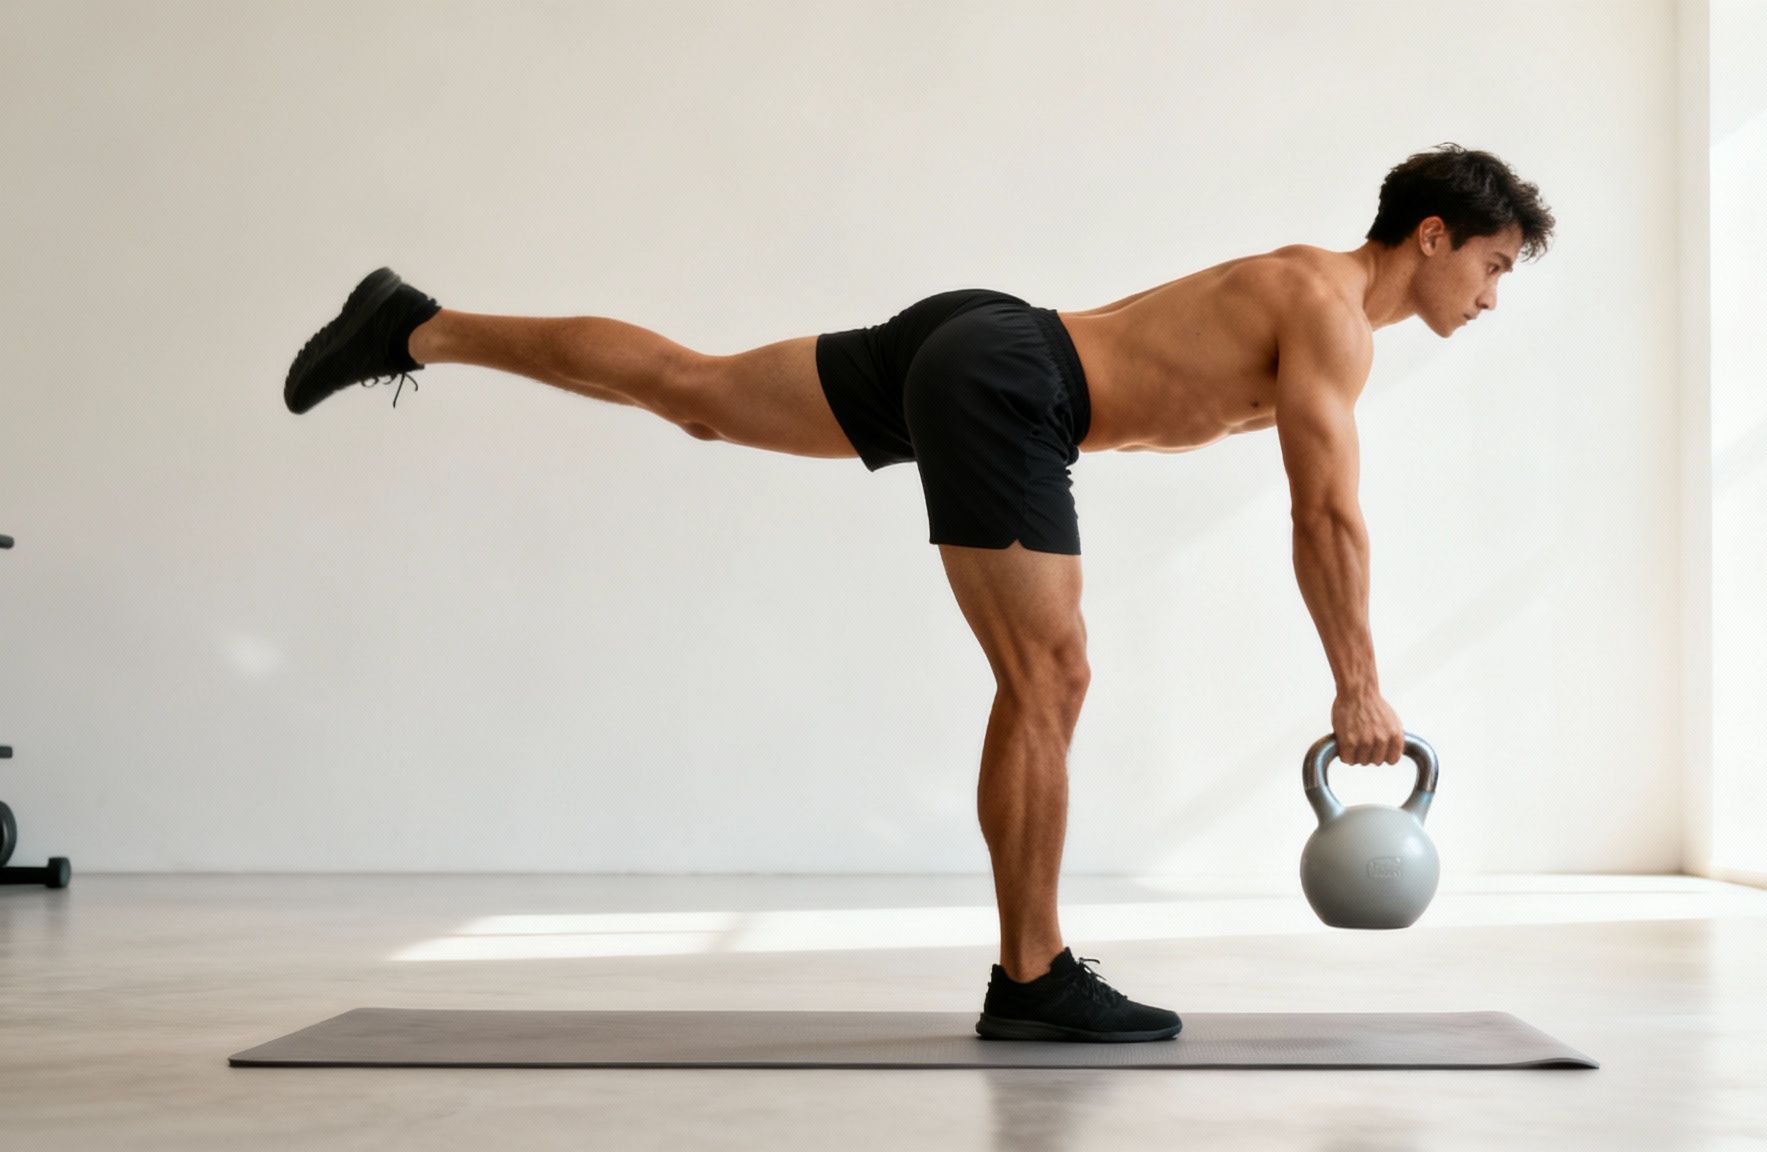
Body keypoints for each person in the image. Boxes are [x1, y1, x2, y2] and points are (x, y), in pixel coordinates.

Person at [282, 142, 1554, 1043]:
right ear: (1430, 236)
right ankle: (1034, 975)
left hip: (987, 339)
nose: (1492, 297)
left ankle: (418, 327)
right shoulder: (1327, 314)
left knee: (698, 392)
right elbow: (1322, 513)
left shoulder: (1299, 290)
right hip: (1014, 386)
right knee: (1049, 675)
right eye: (1491, 265)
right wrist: (1357, 683)